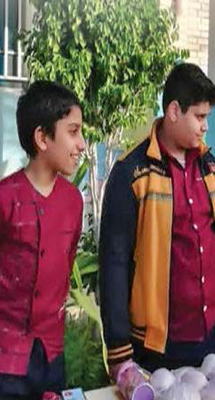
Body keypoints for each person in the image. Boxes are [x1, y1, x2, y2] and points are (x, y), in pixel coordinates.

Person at [100, 63, 215, 374]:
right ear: (174, 111)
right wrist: (118, 348)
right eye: (200, 117)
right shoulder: (131, 172)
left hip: (209, 336)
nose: (205, 126)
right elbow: (114, 263)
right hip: (156, 346)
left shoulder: (211, 168)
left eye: (207, 117)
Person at [0, 81, 85, 398]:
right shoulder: (5, 198)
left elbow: (66, 264)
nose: (82, 144)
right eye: (73, 132)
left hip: (52, 359)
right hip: (6, 361)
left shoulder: (73, 202)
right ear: (42, 138)